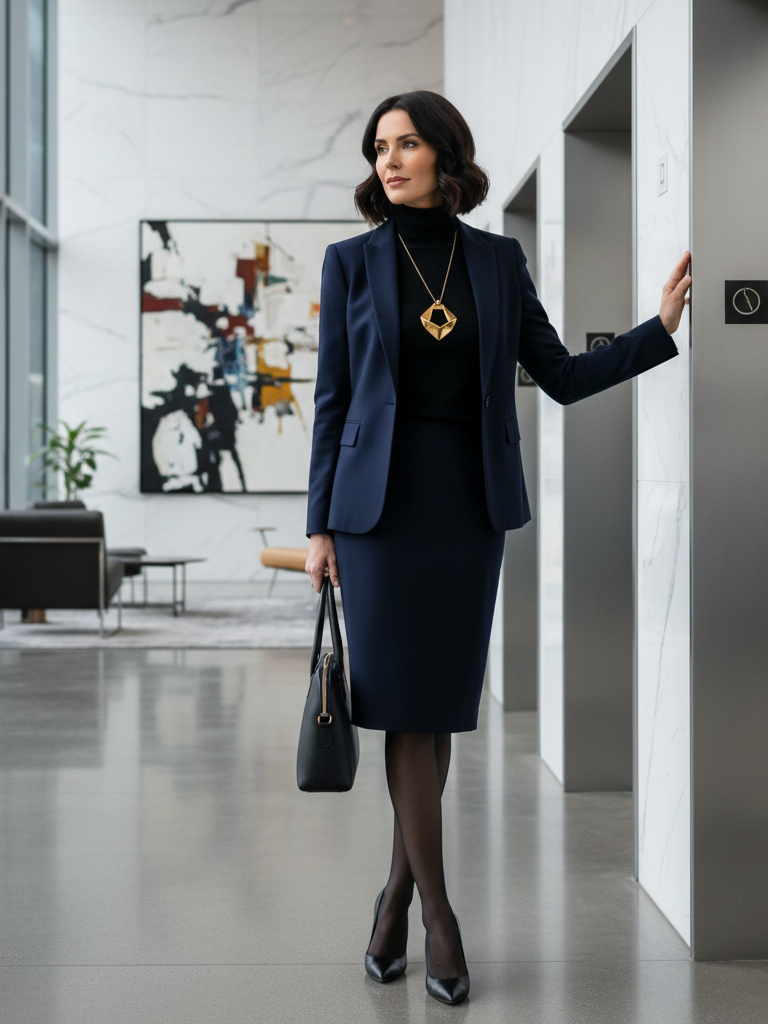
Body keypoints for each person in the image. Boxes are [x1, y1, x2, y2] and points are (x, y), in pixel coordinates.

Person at [304, 90, 690, 1006]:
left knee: (434, 709)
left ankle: (393, 900)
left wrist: (658, 332)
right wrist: (318, 524)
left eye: (404, 144)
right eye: (377, 148)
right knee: (405, 709)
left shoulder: (496, 259)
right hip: (378, 515)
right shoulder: (351, 262)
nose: (387, 161)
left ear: (446, 154)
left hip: (467, 509)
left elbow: (555, 374)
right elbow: (330, 400)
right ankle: (439, 916)